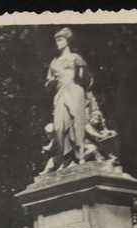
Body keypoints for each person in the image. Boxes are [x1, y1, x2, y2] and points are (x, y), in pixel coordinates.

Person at [45, 27, 91, 169]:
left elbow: (86, 80)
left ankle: (80, 156)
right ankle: (65, 158)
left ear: (67, 41)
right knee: (60, 126)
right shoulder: (54, 62)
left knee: (76, 123)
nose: (57, 43)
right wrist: (51, 83)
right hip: (60, 94)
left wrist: (81, 69)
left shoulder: (75, 58)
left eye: (60, 40)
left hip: (75, 91)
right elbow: (47, 84)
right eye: (56, 40)